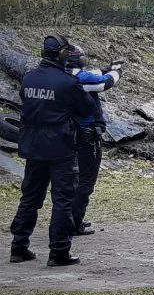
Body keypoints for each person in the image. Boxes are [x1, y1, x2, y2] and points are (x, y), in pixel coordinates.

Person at [9, 36, 98, 266]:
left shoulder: (29, 78)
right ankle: (59, 252)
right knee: (62, 201)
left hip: (33, 147)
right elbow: (87, 107)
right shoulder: (67, 82)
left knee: (29, 198)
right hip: (61, 149)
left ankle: (19, 247)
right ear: (62, 55)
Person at [64, 45, 122, 236]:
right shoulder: (81, 79)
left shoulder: (62, 76)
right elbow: (104, 83)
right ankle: (74, 222)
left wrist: (107, 68)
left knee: (72, 179)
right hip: (86, 135)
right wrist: (116, 72)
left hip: (69, 133)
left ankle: (70, 219)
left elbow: (94, 74)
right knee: (86, 180)